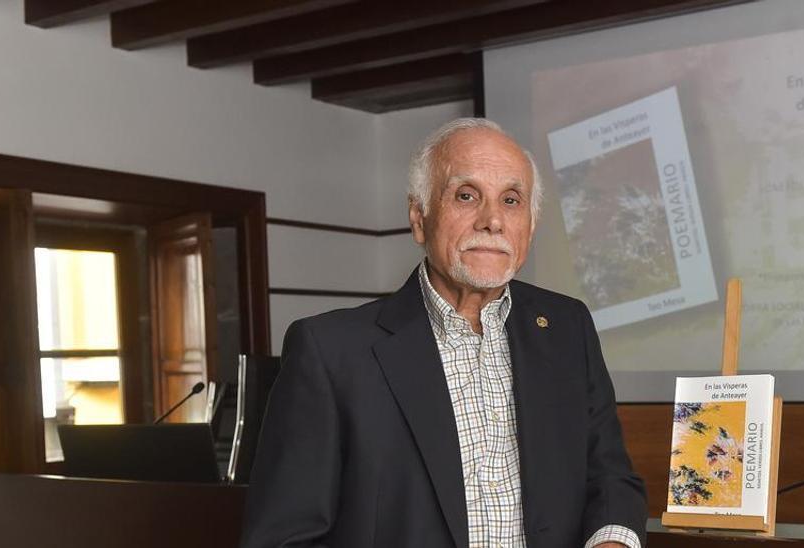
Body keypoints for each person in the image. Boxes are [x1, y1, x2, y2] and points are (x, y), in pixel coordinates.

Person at [241, 118, 647, 548]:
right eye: (467, 195)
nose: (492, 220)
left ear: (530, 223)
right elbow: (283, 538)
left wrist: (613, 541)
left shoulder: (567, 327)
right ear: (419, 218)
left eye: (511, 200)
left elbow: (610, 475)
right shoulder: (330, 352)